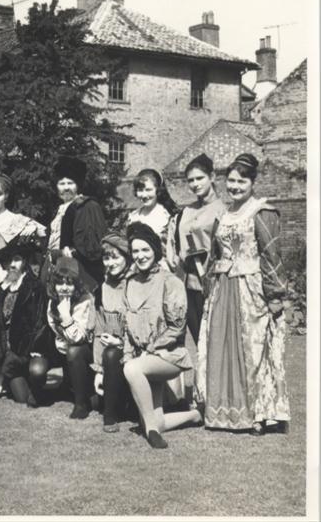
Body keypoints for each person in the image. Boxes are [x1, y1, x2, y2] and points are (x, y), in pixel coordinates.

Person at [196, 153, 289, 435]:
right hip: (223, 289)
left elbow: (271, 255)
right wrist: (209, 283)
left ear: (252, 182)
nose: (235, 187)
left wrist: (275, 295)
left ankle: (258, 415)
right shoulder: (223, 215)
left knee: (253, 349)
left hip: (251, 288)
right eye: (231, 181)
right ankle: (224, 412)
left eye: (241, 181)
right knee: (221, 347)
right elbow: (215, 254)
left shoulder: (262, 212)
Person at [121, 222, 202, 449]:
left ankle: (152, 433)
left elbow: (177, 326)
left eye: (145, 250)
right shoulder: (129, 283)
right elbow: (127, 325)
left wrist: (149, 349)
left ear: (155, 251)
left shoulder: (170, 282)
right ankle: (194, 415)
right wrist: (128, 354)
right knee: (154, 417)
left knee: (132, 369)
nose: (140, 256)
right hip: (143, 359)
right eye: (135, 251)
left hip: (169, 356)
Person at [0, 172, 46, 394]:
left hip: (10, 279)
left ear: (6, 195)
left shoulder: (17, 220)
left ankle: (7, 376)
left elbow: (41, 233)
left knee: (8, 325)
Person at [0, 235, 48, 408]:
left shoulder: (34, 287)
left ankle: (36, 383)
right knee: (22, 399)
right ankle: (17, 379)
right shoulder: (3, 288)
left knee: (36, 373)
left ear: (24, 262)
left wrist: (30, 351)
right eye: (9, 261)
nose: (12, 265)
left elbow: (40, 324)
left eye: (17, 260)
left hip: (29, 351)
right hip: (9, 354)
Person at [165, 154, 227, 344]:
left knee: (213, 342)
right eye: (190, 180)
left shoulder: (222, 211)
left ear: (212, 177)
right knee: (198, 341)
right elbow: (174, 241)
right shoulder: (186, 211)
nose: (195, 184)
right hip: (186, 284)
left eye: (200, 178)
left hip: (210, 286)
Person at [42, 257, 96, 419]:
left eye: (69, 283)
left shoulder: (85, 300)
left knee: (74, 350)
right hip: (64, 344)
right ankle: (65, 385)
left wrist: (66, 316)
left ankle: (81, 404)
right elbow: (55, 329)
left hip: (87, 350)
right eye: (60, 283)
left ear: (76, 284)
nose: (64, 288)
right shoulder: (54, 301)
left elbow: (79, 337)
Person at [45, 155, 106, 293]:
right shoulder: (60, 210)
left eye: (70, 183)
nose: (66, 188)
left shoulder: (87, 207)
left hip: (78, 277)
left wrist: (58, 254)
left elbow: (92, 249)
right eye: (62, 183)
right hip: (59, 275)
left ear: (78, 185)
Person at [91, 232, 131, 432]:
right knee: (110, 353)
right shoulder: (103, 288)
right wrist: (99, 371)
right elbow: (99, 330)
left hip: (133, 351)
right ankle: (110, 415)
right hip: (109, 358)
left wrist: (122, 343)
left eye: (116, 257)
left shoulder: (136, 284)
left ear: (127, 257)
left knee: (114, 352)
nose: (110, 262)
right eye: (107, 257)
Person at [126, 168, 180, 245]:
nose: (144, 195)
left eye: (148, 190)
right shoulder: (133, 217)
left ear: (158, 190)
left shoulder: (168, 216)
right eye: (140, 190)